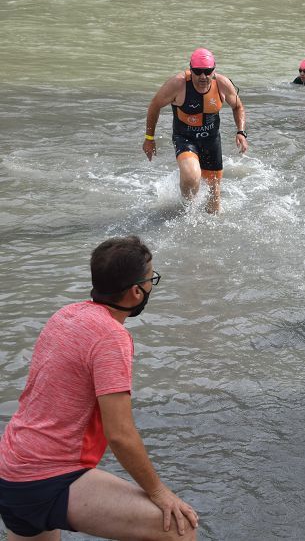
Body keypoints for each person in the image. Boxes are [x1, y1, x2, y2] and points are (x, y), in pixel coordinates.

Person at [0, 236, 199, 541]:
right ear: (136, 292)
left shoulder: (65, 315)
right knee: (177, 529)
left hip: (11, 470)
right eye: (151, 280)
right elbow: (119, 433)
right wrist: (160, 492)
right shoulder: (111, 337)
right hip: (49, 477)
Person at [143, 48, 248, 213]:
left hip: (211, 140)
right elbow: (154, 105)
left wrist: (241, 132)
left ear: (214, 70)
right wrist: (149, 138)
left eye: (207, 71)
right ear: (191, 69)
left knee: (214, 203)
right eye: (198, 72)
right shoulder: (178, 84)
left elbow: (238, 106)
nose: (203, 77)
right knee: (192, 176)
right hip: (185, 138)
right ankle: (186, 210)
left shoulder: (222, 84)